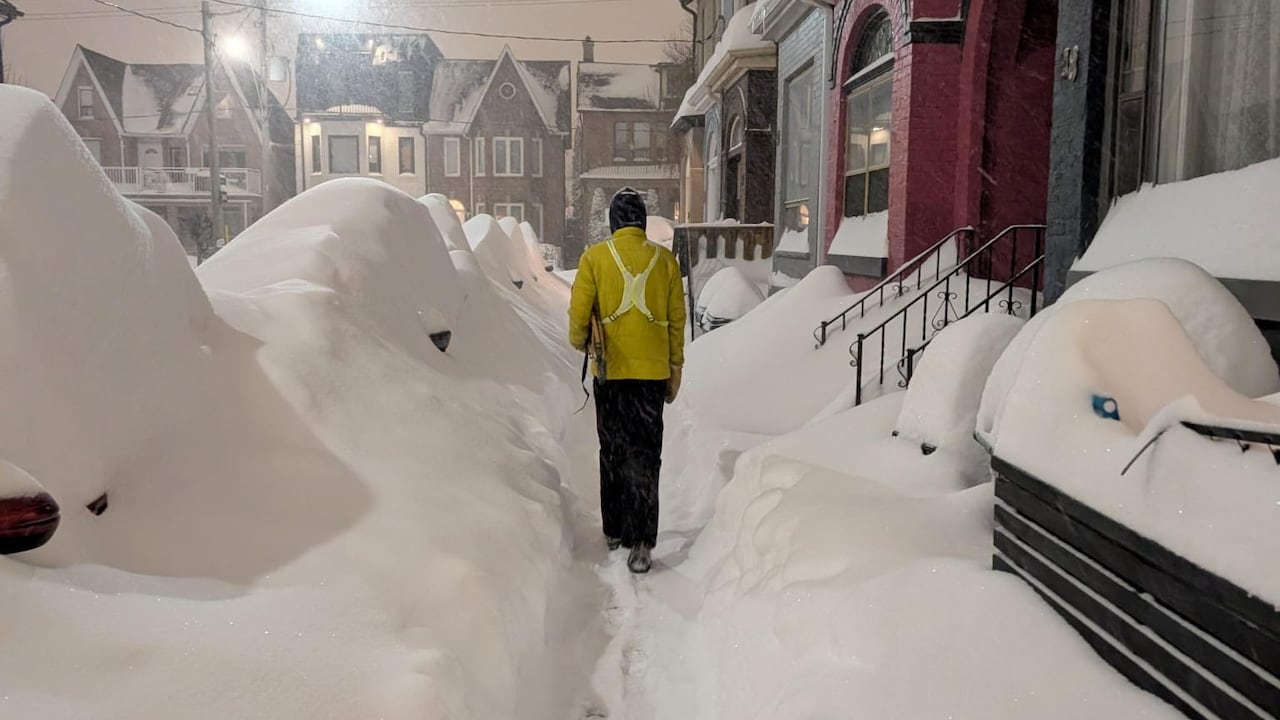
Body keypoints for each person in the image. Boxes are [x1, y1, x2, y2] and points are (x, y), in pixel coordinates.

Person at [569, 188, 686, 574]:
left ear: (614, 222)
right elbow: (676, 321)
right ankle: (641, 541)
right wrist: (674, 369)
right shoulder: (665, 262)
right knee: (646, 455)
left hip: (611, 374)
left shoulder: (594, 259)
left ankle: (615, 529)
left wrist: (584, 341)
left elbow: (578, 319)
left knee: (613, 450)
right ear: (642, 220)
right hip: (651, 376)